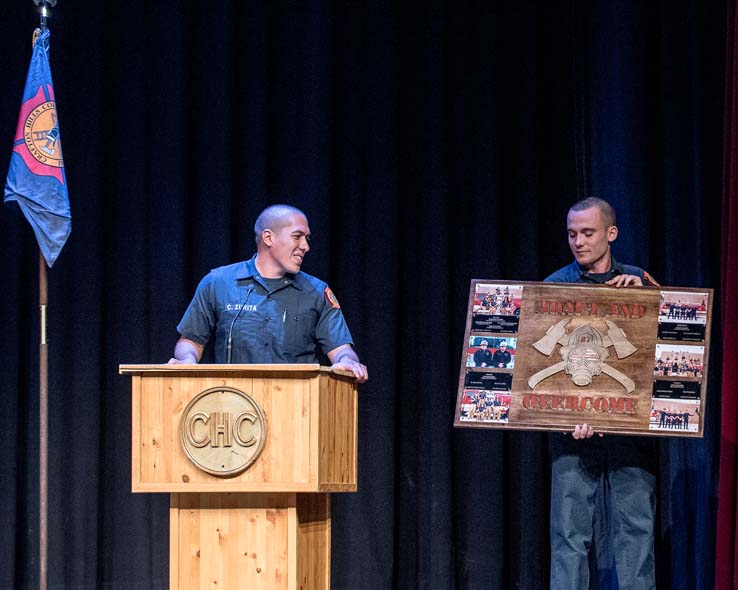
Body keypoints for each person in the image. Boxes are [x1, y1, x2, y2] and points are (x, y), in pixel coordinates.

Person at [545, 197, 659, 589]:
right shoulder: (554, 287)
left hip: (629, 434)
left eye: (588, 233)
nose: (578, 241)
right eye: (573, 234)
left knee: (635, 536)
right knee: (569, 539)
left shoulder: (638, 281)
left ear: (611, 233)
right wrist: (563, 416)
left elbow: (664, 344)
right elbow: (535, 362)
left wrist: (643, 297)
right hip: (573, 436)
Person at [169, 204, 368, 383]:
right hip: (232, 406)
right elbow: (191, 341)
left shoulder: (316, 291)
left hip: (297, 408)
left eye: (307, 238)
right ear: (268, 237)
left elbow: (341, 350)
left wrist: (349, 362)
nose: (306, 246)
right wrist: (187, 359)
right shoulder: (218, 282)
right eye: (297, 236)